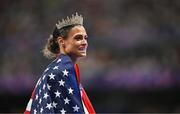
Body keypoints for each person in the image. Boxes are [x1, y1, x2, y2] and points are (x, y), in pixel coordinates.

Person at [24, 12, 95, 114]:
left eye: (85, 38)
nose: (84, 42)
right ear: (61, 41)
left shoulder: (66, 68)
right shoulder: (60, 71)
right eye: (78, 38)